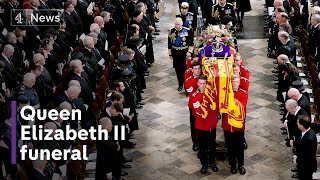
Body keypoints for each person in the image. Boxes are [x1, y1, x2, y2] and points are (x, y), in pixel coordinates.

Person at [190, 75, 219, 174]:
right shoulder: (194, 96)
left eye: (204, 83)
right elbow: (199, 111)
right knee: (202, 147)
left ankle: (212, 162)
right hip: (201, 126)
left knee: (212, 145)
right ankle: (204, 164)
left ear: (207, 84)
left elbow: (216, 108)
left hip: (211, 125)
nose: (202, 86)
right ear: (197, 84)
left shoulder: (212, 94)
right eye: (201, 83)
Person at [222, 74, 247, 174]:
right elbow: (223, 107)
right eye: (234, 82)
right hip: (227, 125)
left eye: (237, 82)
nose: (235, 84)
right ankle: (232, 164)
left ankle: (241, 165)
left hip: (238, 126)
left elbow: (242, 107)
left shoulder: (243, 93)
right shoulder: (225, 94)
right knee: (230, 146)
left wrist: (231, 105)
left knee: (239, 147)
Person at [168, 18, 193, 91]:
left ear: (182, 24)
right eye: (176, 24)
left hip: (184, 53)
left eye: (179, 24)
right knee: (177, 70)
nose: (177, 26)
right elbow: (169, 44)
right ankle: (180, 84)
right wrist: (170, 54)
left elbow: (191, 43)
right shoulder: (171, 31)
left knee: (185, 70)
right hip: (176, 53)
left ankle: (186, 85)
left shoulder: (187, 31)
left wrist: (190, 52)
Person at [294, 115, 317, 180]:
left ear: (302, 125)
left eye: (298, 123)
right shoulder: (307, 131)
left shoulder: (308, 139)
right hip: (304, 164)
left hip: (306, 166)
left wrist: (296, 159)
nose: (297, 124)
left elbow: (305, 156)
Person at [184, 62, 201, 151]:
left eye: (199, 68)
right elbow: (192, 94)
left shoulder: (204, 78)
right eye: (195, 69)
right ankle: (195, 142)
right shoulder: (189, 81)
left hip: (204, 105)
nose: (197, 71)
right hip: (193, 106)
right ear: (192, 70)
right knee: (194, 125)